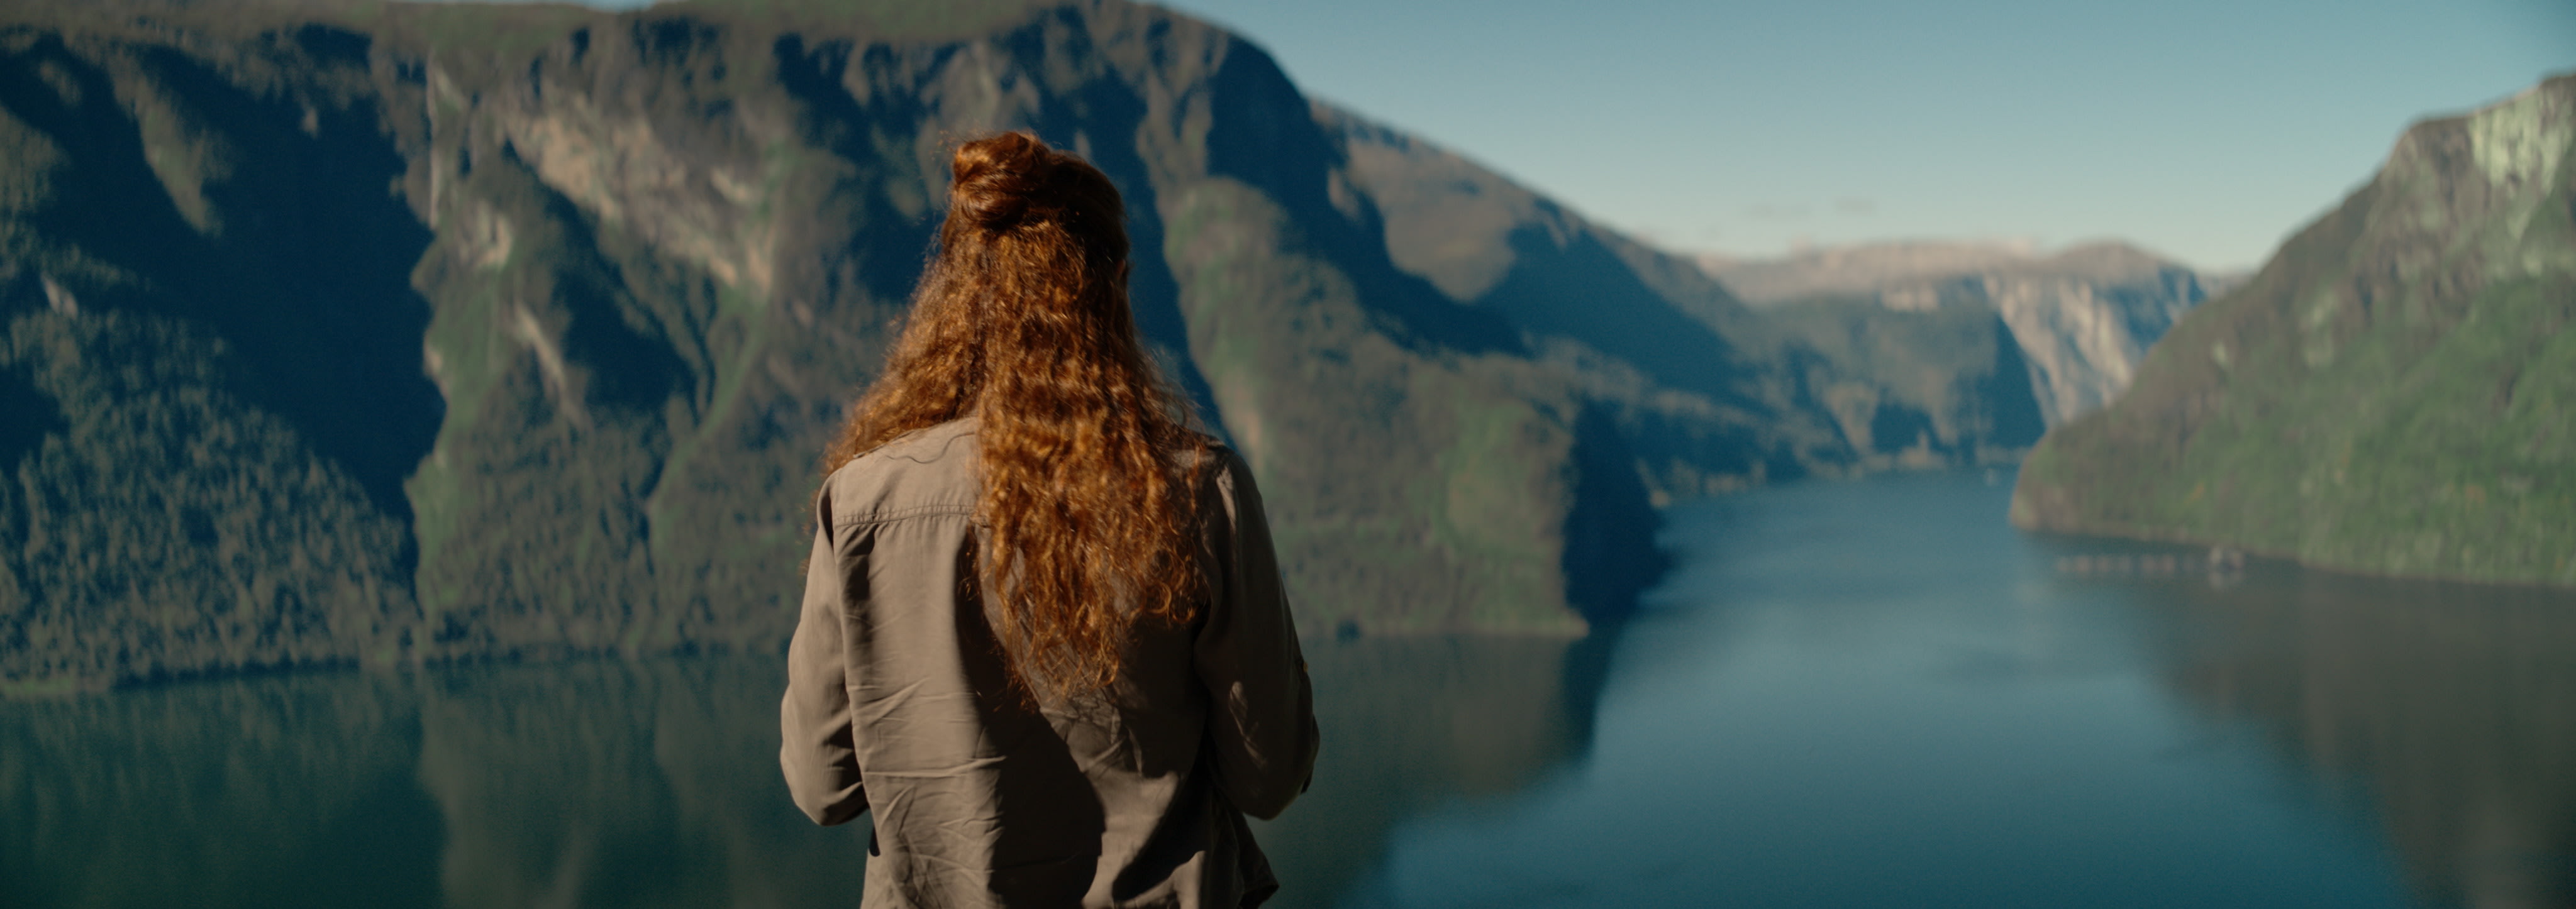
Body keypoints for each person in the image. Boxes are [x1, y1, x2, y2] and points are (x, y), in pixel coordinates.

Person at [780, 131, 1319, 908]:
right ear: (1116, 287)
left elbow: (820, 785)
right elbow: (1268, 776)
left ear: (956, 295)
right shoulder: (1200, 492)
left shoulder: (861, 503)